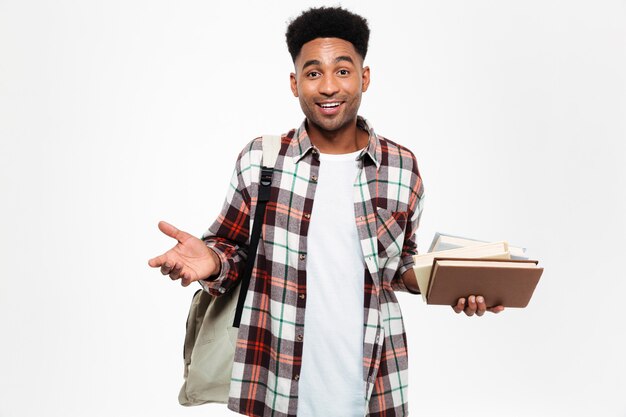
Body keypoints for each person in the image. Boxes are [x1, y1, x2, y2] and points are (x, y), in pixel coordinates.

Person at [148, 6, 504, 417]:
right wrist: (210, 261)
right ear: (294, 83)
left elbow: (398, 267)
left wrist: (454, 283)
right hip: (278, 384)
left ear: (364, 78)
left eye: (343, 70)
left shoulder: (401, 167)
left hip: (374, 382)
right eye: (314, 73)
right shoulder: (261, 159)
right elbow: (230, 251)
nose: (329, 87)